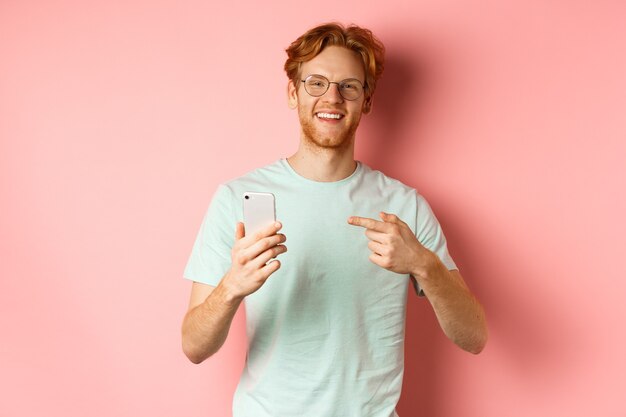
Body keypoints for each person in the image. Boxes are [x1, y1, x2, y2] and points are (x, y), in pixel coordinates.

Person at [181, 22, 487, 417]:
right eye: (317, 83)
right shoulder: (235, 199)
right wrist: (231, 288)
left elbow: (474, 337)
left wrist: (423, 265)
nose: (333, 97)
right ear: (293, 93)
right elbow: (193, 346)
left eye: (349, 86)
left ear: (367, 102)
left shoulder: (405, 207)